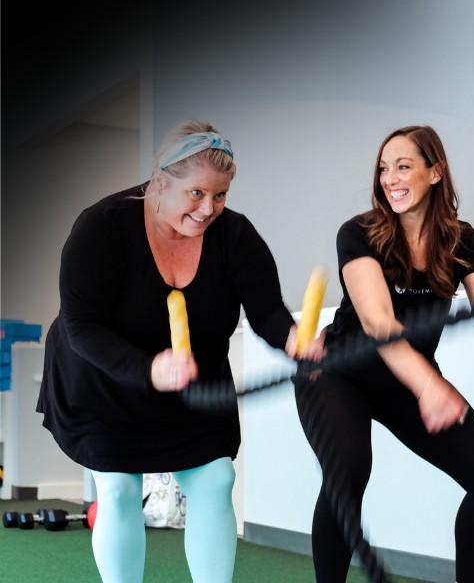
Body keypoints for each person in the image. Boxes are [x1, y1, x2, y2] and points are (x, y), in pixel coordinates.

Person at [37, 119, 317, 583]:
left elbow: (267, 311)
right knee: (120, 490)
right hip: (103, 377)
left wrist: (294, 339)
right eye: (197, 194)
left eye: (221, 195)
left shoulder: (235, 236)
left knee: (215, 480)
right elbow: (81, 327)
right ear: (160, 181)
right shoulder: (102, 227)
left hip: (193, 382)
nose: (209, 209)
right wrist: (149, 369)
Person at [294, 125, 474, 583]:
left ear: (435, 172)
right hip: (339, 373)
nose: (390, 178)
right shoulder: (358, 233)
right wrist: (429, 386)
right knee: (348, 472)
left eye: (404, 166)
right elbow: (380, 323)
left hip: (404, 381)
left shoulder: (461, 242)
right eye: (384, 168)